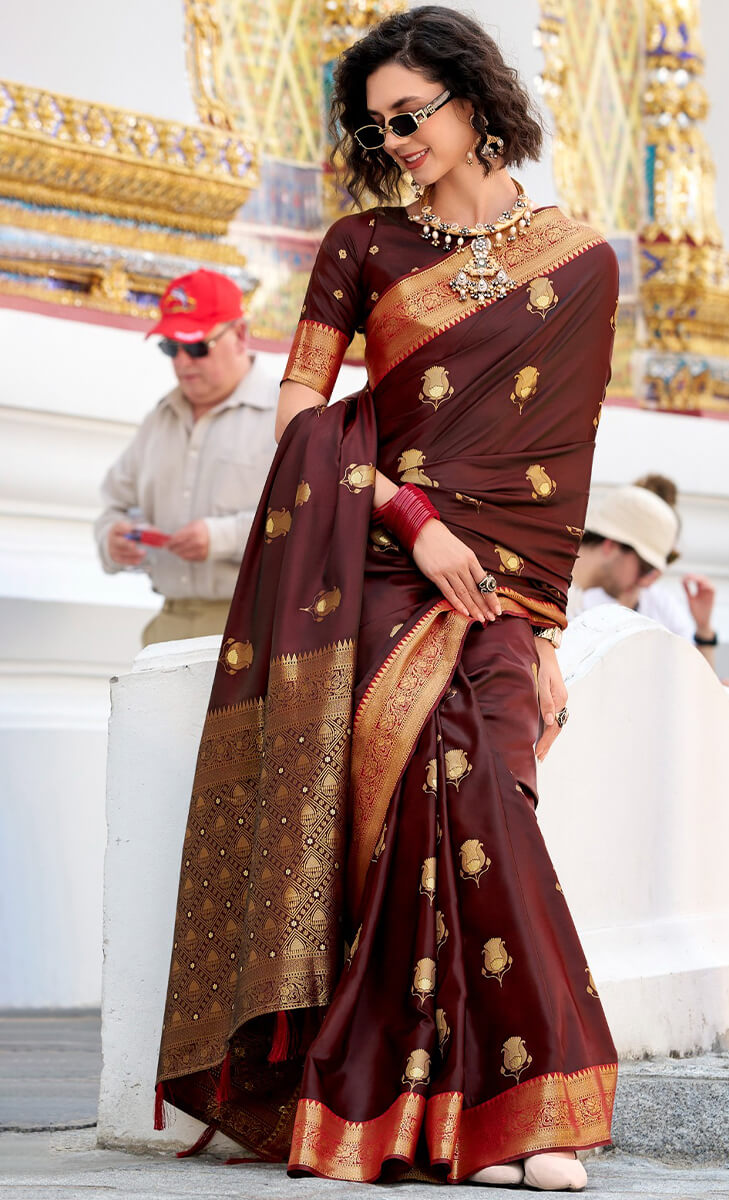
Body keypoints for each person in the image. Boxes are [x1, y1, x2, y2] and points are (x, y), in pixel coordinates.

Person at [155, 8, 618, 1191]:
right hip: (370, 565)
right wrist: (414, 520)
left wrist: (542, 627)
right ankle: (473, 1118)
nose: (396, 138)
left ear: (472, 99)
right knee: (409, 806)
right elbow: (301, 418)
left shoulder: (578, 260)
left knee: (489, 796)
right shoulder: (361, 247)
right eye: (376, 125)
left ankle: (523, 1106)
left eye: (410, 115)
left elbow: (558, 466)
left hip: (499, 593)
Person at [94, 269, 278, 646]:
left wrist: (222, 537)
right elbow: (113, 506)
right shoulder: (159, 419)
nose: (181, 361)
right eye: (169, 347)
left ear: (240, 335)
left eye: (196, 347)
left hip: (253, 629)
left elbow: (312, 520)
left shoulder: (284, 416)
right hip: (169, 624)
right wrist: (110, 542)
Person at [571, 479, 718, 668]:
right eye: (646, 567)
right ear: (611, 546)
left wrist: (704, 627)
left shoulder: (568, 589)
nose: (647, 581)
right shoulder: (549, 588)